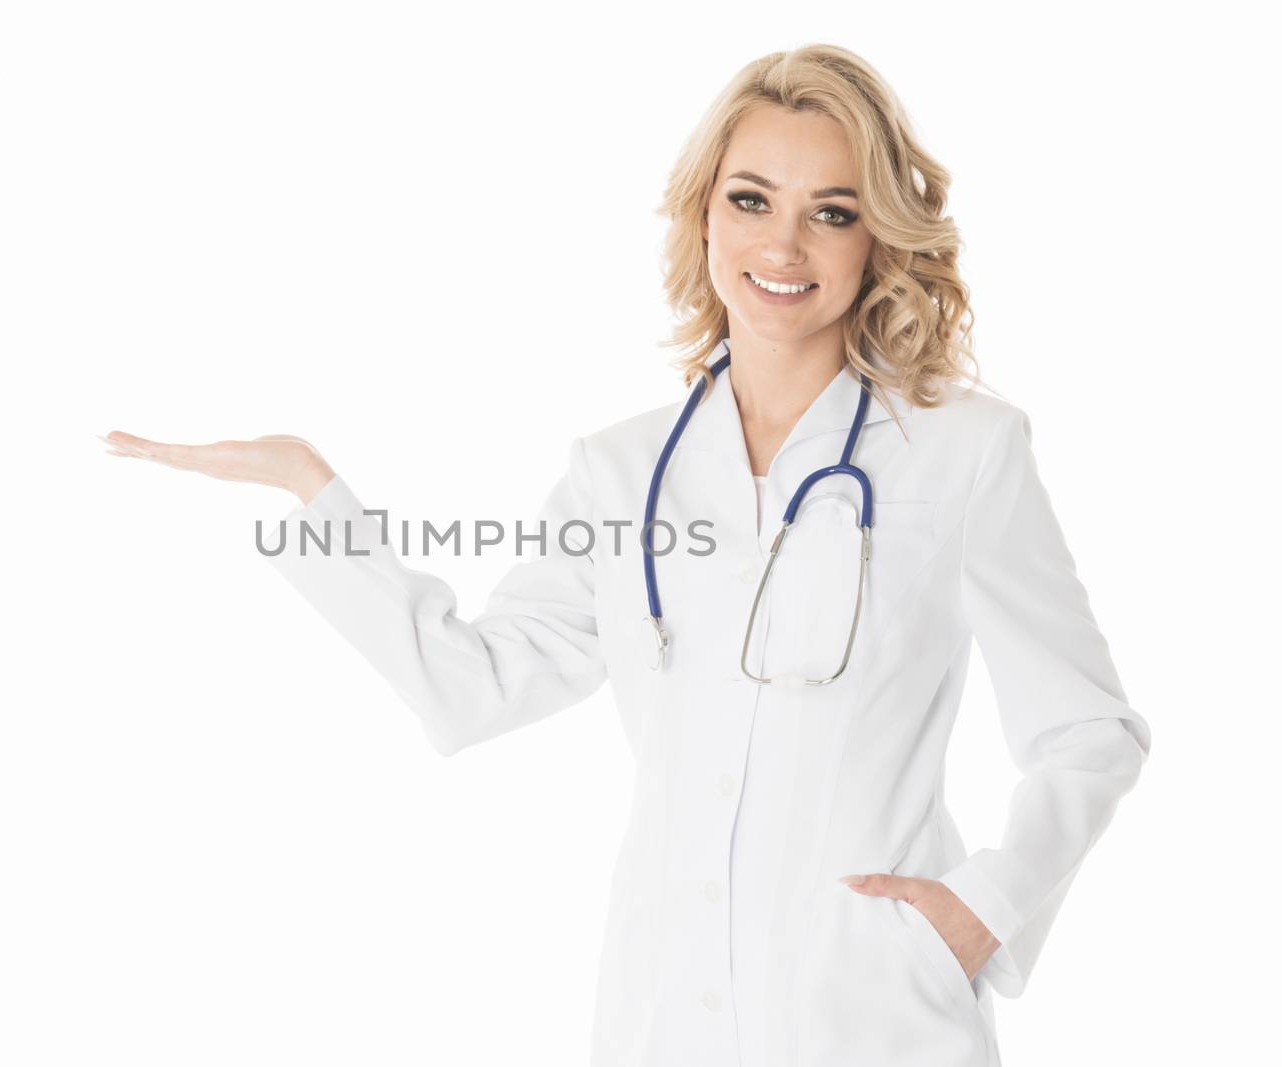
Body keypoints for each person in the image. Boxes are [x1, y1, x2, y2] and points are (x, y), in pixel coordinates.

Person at [99, 43, 1150, 1067]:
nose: (783, 246)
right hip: (664, 1011)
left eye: (830, 211)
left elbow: (1089, 730)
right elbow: (474, 689)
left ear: (876, 237)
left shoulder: (962, 454)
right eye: (751, 199)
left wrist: (985, 907)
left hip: (873, 1017)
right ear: (703, 215)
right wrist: (310, 491)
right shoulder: (621, 471)